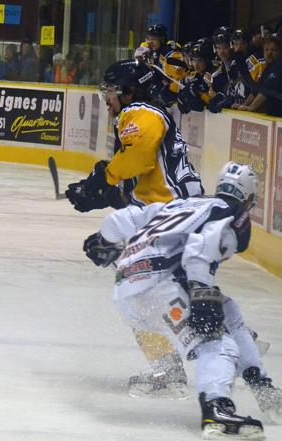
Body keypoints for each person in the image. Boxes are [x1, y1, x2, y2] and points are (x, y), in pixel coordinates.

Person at [80, 163, 282, 439]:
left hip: (129, 288)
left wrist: (102, 242)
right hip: (159, 290)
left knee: (229, 311)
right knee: (217, 343)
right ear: (251, 197)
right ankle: (217, 410)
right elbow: (199, 250)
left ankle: (261, 384)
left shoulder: (184, 203)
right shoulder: (229, 214)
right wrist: (201, 291)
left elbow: (120, 220)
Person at [65, 60, 203, 398]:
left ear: (129, 90)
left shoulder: (140, 112)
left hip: (169, 220)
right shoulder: (145, 115)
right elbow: (145, 179)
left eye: (111, 90)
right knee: (154, 291)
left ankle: (177, 362)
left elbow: (139, 157)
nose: (107, 98)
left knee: (135, 292)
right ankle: (224, 335)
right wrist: (102, 194)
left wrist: (103, 179)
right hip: (174, 217)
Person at [234, 34, 282, 118]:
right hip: (274, 116)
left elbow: (267, 90)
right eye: (266, 50)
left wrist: (251, 108)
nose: (269, 53)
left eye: (274, 50)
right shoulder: (268, 68)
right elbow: (256, 90)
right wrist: (243, 106)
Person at [134, 24, 188, 107]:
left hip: (178, 93)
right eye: (148, 38)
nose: (150, 42)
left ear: (162, 39)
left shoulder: (169, 50)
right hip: (163, 85)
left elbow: (179, 74)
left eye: (154, 39)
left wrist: (169, 91)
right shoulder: (151, 49)